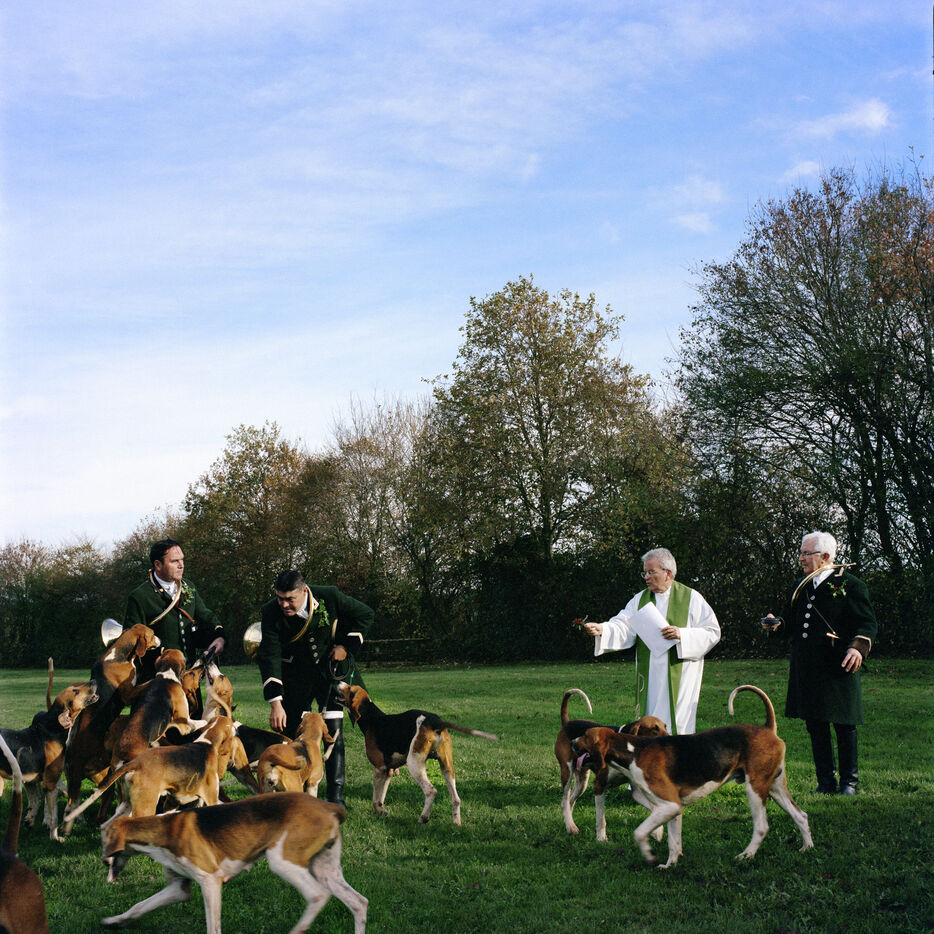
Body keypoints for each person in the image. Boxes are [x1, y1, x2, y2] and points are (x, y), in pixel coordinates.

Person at [763, 531, 877, 795]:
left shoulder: (850, 584)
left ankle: (849, 782)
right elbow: (790, 621)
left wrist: (858, 648)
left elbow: (867, 623)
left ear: (826, 556)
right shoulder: (800, 585)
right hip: (807, 666)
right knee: (815, 724)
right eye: (801, 553)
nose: (801, 558)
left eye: (807, 553)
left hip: (839, 665)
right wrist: (776, 624)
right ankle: (825, 782)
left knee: (844, 724)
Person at [256, 569, 374, 806]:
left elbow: (365, 614)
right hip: (295, 678)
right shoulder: (269, 612)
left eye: (290, 599)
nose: (284, 604)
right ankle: (293, 791)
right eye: (280, 598)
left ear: (304, 591)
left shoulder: (329, 596)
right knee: (292, 733)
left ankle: (335, 796)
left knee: (333, 732)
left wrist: (345, 646)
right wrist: (276, 704)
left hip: (331, 673)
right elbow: (270, 655)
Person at [584, 548, 720, 735]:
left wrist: (682, 634)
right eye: (645, 573)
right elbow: (624, 624)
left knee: (678, 724)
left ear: (668, 573)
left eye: (651, 572)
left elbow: (712, 631)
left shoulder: (691, 598)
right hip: (651, 675)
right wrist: (603, 629)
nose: (646, 577)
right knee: (650, 724)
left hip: (681, 673)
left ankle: (678, 752)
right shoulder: (640, 599)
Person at [124, 538, 226, 679]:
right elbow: (131, 641)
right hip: (156, 680)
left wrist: (220, 636)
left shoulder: (188, 586)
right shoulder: (140, 596)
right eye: (174, 561)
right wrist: (156, 660)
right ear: (158, 565)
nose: (181, 565)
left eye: (182, 560)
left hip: (189, 677)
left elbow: (206, 615)